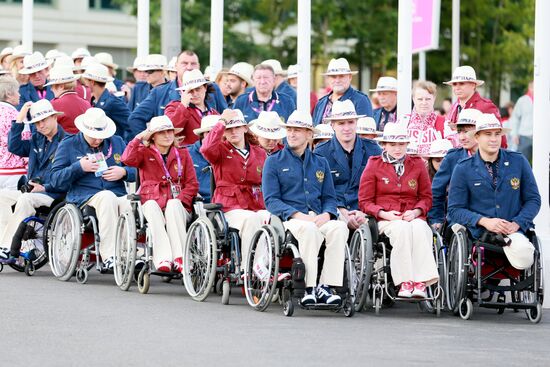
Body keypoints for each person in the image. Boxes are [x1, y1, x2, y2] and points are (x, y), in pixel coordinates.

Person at [262, 110, 348, 306]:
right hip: (290, 219)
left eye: (297, 130)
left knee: (339, 228)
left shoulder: (320, 162)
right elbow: (271, 200)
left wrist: (328, 214)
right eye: (290, 129)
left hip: (317, 216)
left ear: (309, 134)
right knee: (309, 230)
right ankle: (309, 287)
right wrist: (298, 215)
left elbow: (329, 197)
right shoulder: (273, 162)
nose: (291, 134)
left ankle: (326, 286)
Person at [447, 113, 540, 270]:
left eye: (497, 134)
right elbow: (455, 209)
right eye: (488, 134)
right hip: (478, 235)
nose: (494, 139)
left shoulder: (518, 161)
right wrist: (484, 221)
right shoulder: (463, 168)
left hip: (512, 232)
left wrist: (517, 223)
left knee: (525, 256)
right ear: (477, 137)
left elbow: (533, 200)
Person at [49, 108, 136, 270]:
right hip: (84, 197)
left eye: (101, 137)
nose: (97, 140)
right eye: (94, 136)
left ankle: (129, 253)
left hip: (117, 194)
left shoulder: (117, 142)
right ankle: (110, 255)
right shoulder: (69, 144)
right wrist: (79, 167)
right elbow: (54, 180)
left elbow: (137, 171)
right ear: (84, 130)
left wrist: (124, 172)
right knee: (106, 197)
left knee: (130, 202)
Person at [358, 123, 438, 298]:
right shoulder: (374, 165)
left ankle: (421, 282)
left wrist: (416, 211)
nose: (397, 148)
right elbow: (364, 201)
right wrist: (383, 214)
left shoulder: (417, 164)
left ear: (407, 145)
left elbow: (426, 197)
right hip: (386, 218)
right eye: (393, 144)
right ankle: (405, 281)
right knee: (401, 229)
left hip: (412, 215)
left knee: (419, 228)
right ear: (384, 145)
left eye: (401, 144)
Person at [122, 115, 198, 273]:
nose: (167, 135)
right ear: (153, 136)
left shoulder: (182, 154)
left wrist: (181, 199)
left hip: (178, 206)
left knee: (173, 204)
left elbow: (192, 183)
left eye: (170, 131)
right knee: (149, 206)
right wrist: (137, 138)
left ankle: (180, 257)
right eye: (162, 132)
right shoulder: (144, 152)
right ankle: (163, 257)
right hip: (153, 201)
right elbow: (127, 159)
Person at [200, 109, 270, 273]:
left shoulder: (259, 152)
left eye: (237, 127)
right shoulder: (220, 150)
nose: (233, 132)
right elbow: (206, 148)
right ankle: (251, 269)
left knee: (268, 218)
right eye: (229, 128)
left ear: (245, 128)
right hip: (228, 207)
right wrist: (221, 122)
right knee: (251, 219)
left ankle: (265, 264)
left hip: (255, 204)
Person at [0, 100, 65, 263]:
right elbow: (13, 146)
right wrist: (20, 118)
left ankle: (8, 247)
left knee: (25, 198)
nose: (40, 125)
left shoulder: (67, 141)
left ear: (54, 117)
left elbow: (66, 175)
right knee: (2, 196)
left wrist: (44, 186)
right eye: (37, 122)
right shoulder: (37, 138)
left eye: (44, 120)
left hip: (53, 193)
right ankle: (3, 243)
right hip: (31, 191)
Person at [127, 50, 227, 140]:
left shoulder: (213, 88)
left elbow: (224, 116)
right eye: (184, 63)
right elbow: (135, 119)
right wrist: (150, 142)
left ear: (199, 66)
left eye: (193, 63)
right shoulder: (159, 91)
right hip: (177, 154)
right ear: (176, 66)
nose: (189, 67)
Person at [315, 100, 382, 230]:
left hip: (365, 211)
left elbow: (380, 186)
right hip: (336, 210)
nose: (347, 128)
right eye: (341, 123)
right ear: (332, 125)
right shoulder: (321, 152)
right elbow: (320, 190)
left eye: (350, 122)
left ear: (356, 123)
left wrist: (364, 211)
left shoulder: (373, 150)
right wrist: (341, 211)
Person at [428, 109, 482, 228]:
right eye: (459, 132)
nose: (462, 137)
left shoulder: (496, 157)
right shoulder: (452, 157)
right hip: (459, 219)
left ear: (480, 132)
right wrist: (436, 218)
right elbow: (436, 191)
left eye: (467, 132)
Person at [444, 65, 506, 148]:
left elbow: (500, 137)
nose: (457, 87)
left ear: (473, 85)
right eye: (454, 84)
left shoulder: (485, 106)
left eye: (462, 83)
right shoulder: (454, 106)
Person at [164, 69, 220, 147]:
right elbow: (170, 129)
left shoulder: (214, 113)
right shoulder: (174, 106)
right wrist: (183, 105)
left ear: (205, 88)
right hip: (187, 156)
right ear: (184, 92)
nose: (195, 93)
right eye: (190, 91)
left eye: (198, 89)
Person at [312, 58, 372, 125]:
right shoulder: (321, 103)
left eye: (341, 76)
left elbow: (365, 133)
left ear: (350, 77)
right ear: (328, 79)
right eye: (333, 77)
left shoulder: (361, 100)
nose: (337, 80)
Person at [82, 63, 130, 139]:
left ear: (92, 82)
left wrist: (123, 145)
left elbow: (131, 124)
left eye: (86, 81)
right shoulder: (94, 100)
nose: (85, 84)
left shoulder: (113, 102)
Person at [46, 65, 91, 134]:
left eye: (52, 86)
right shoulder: (86, 103)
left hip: (62, 143)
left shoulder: (53, 104)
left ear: (61, 86)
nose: (51, 89)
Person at [0, 76, 27, 189]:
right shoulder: (17, 116)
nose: (19, 95)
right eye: (17, 91)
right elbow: (25, 145)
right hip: (14, 173)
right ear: (9, 94)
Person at [406, 81, 446, 155]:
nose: (424, 103)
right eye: (420, 99)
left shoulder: (444, 123)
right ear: (414, 99)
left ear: (434, 98)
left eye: (427, 99)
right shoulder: (403, 121)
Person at [189, 115, 219, 203]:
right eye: (209, 132)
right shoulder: (187, 153)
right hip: (197, 204)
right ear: (202, 135)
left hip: (225, 202)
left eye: (216, 133)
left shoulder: (229, 152)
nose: (213, 137)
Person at [508, 81, 533, 162]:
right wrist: (514, 134)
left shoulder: (544, 100)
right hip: (524, 136)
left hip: (540, 137)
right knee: (521, 162)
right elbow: (515, 117)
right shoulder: (522, 100)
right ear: (530, 88)